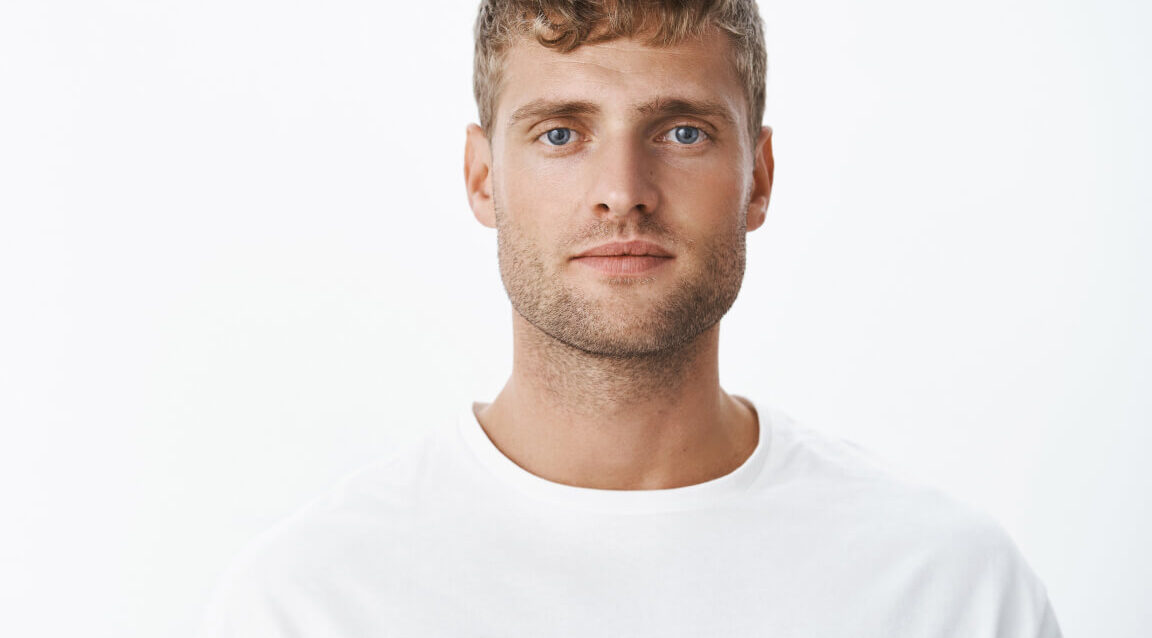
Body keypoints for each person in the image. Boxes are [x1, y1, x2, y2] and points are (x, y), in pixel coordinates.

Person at [196, 1, 1062, 636]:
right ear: (482, 178)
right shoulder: (311, 605)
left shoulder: (948, 591)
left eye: (682, 132)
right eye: (561, 133)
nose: (622, 192)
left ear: (758, 178)